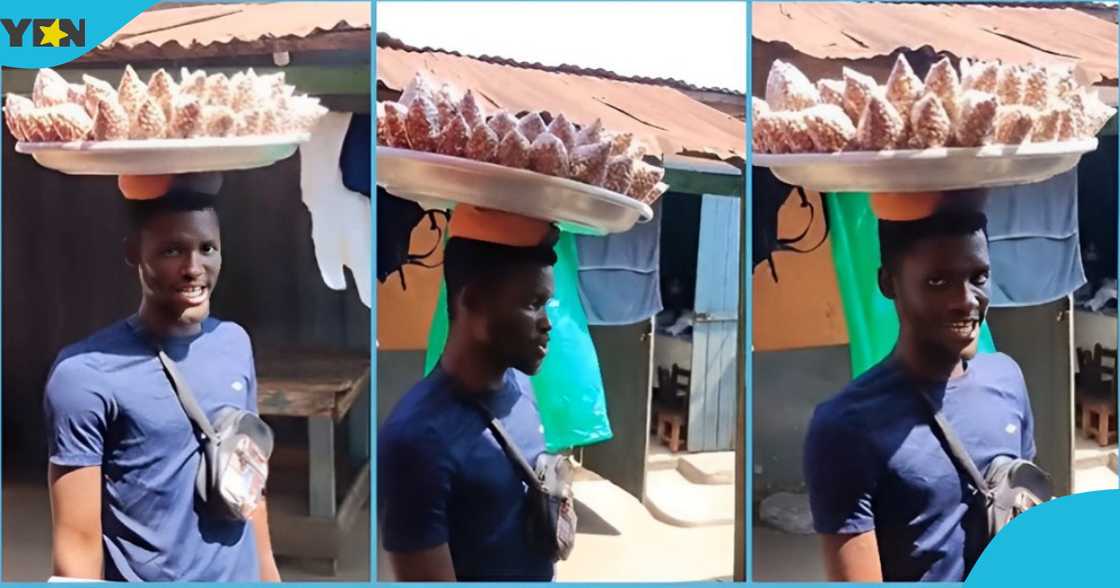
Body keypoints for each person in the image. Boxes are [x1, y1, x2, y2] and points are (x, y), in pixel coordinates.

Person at [43, 174, 281, 582]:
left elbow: (249, 483)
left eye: (207, 249)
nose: (194, 268)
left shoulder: (234, 343)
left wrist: (270, 576)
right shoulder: (84, 375)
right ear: (134, 253)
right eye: (173, 250)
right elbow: (77, 546)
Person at [804, 198, 1037, 582]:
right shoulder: (846, 426)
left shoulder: (1007, 379)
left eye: (978, 277)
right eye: (937, 282)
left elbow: (1024, 509)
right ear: (888, 283)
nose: (966, 300)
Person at [378, 206, 557, 581]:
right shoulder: (415, 439)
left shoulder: (521, 386)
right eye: (532, 304)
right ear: (472, 301)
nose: (547, 323)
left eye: (547, 304)